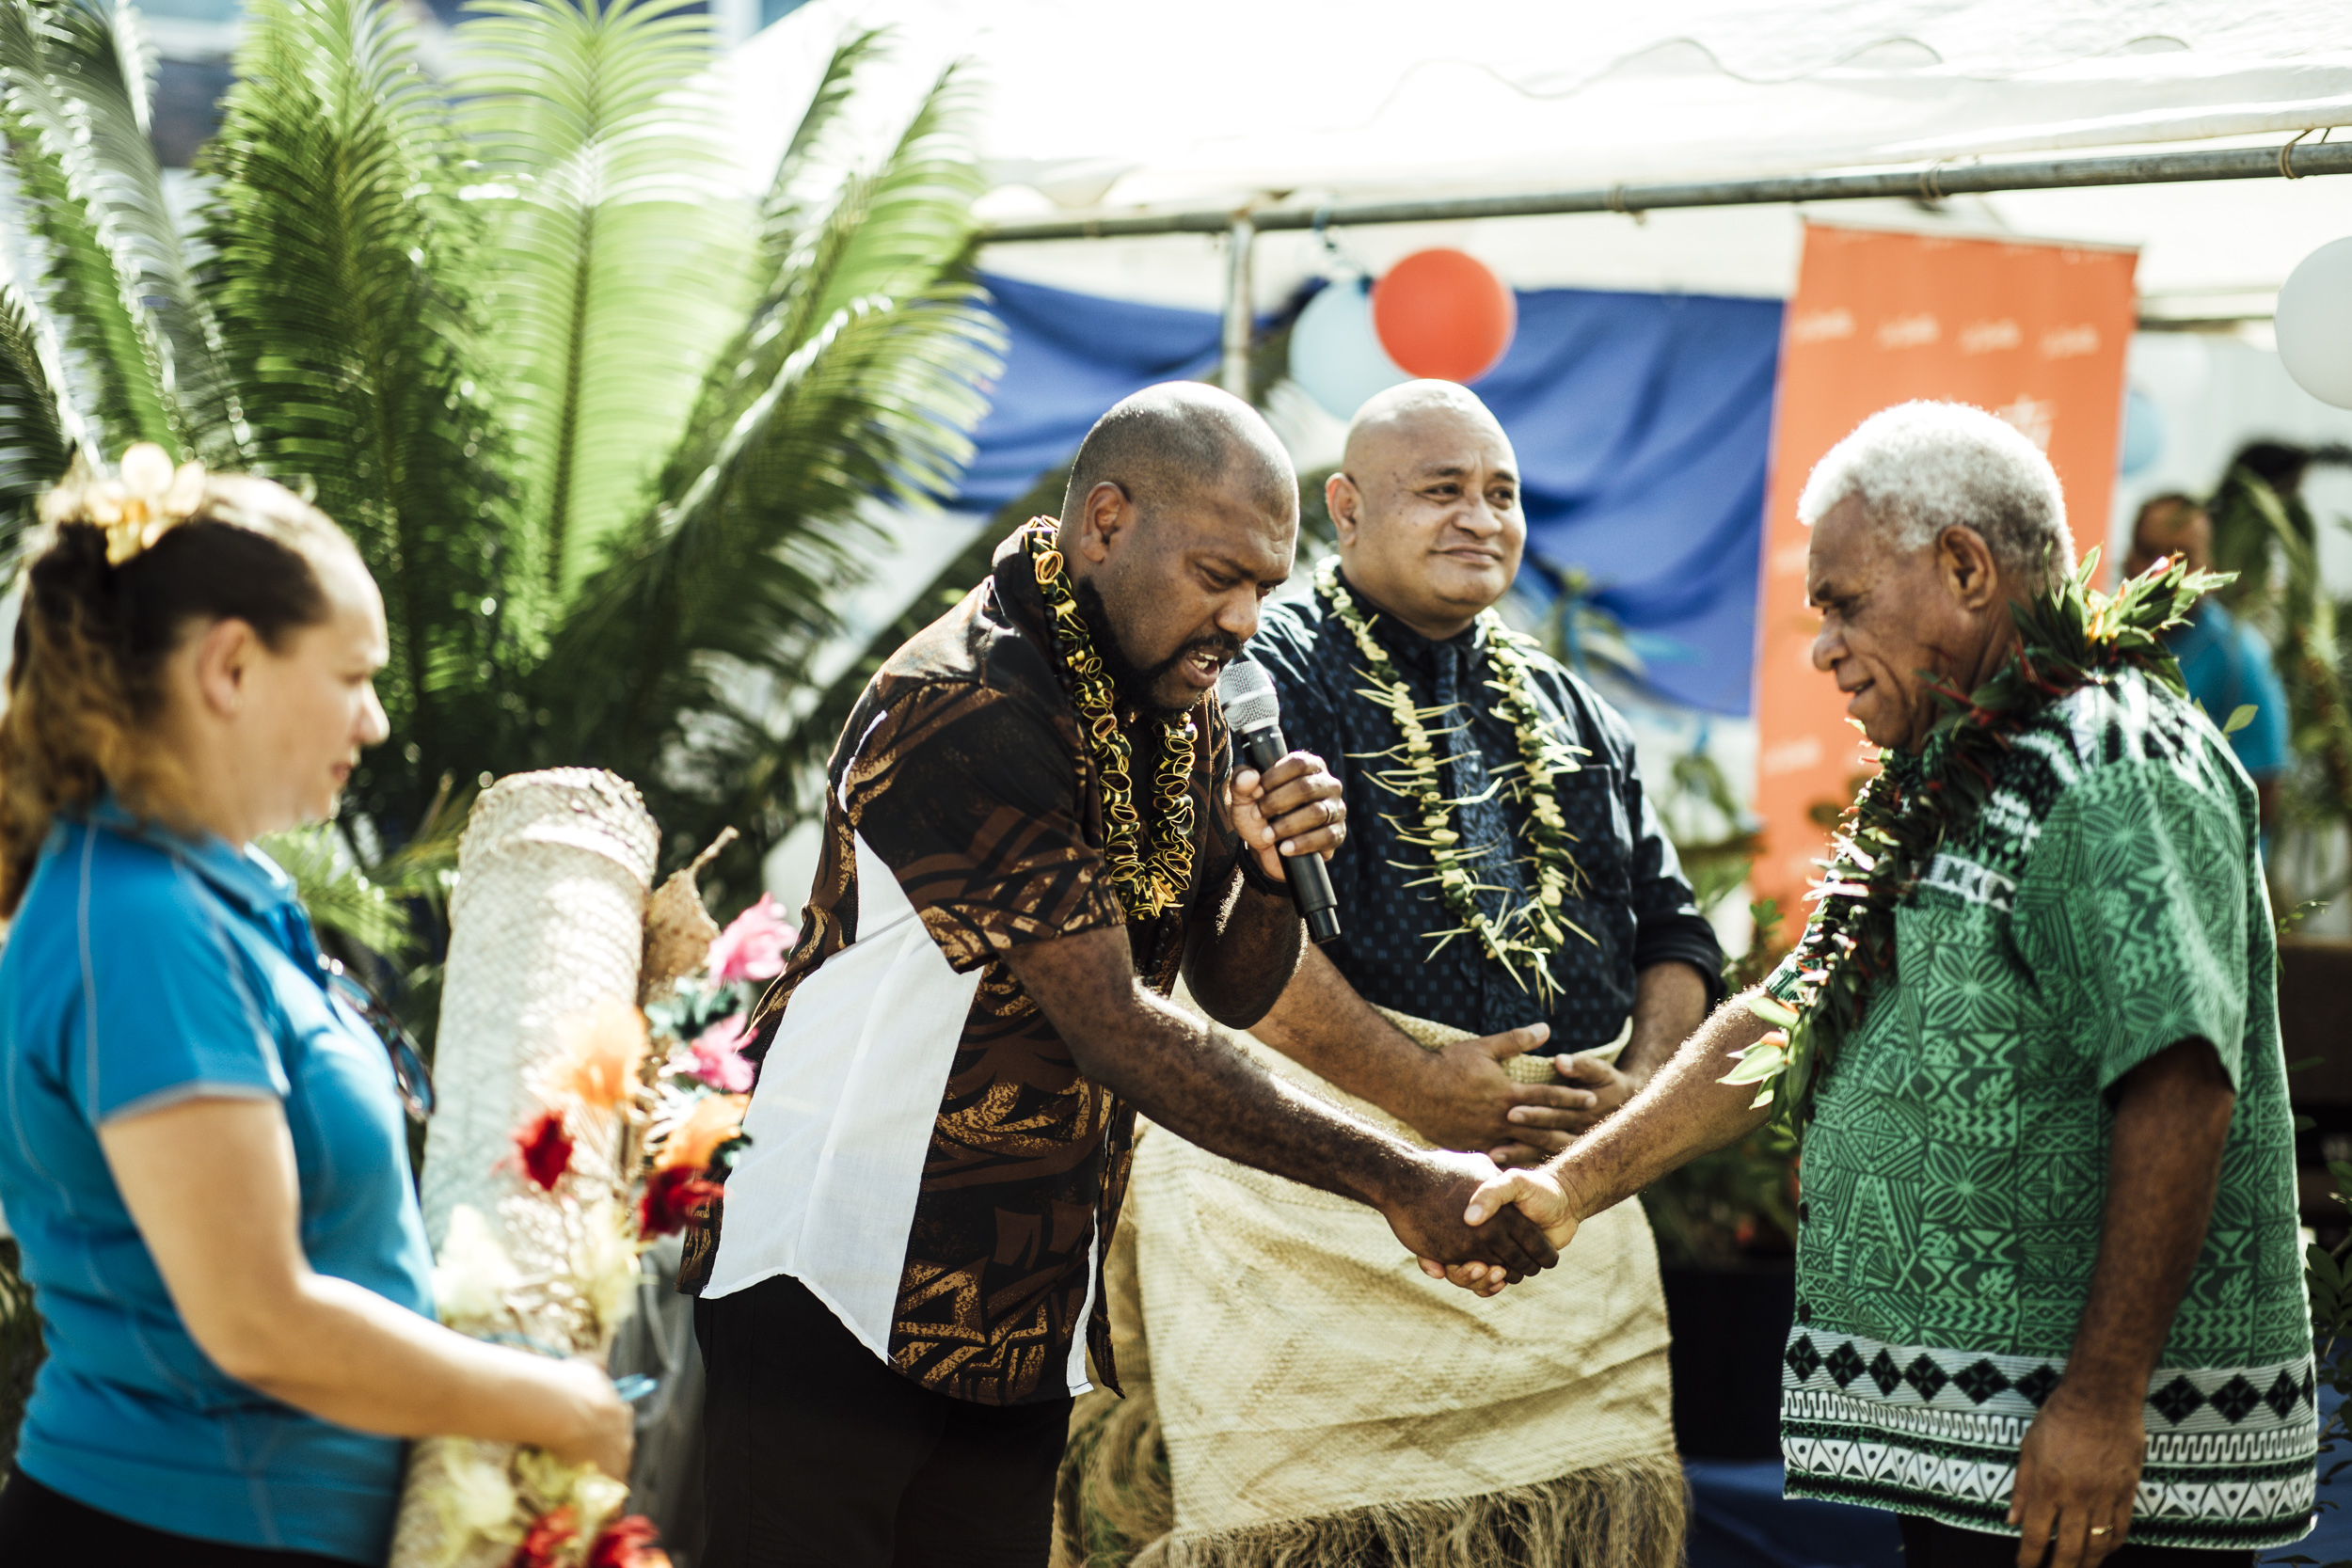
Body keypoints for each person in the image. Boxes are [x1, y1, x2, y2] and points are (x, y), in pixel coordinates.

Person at [676, 384, 1559, 1568]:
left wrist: (1270, 871)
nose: (1245, 620)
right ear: (1105, 524)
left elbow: (1225, 981)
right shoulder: (966, 702)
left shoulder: (1167, 701)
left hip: (1020, 1315)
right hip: (833, 1283)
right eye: (1217, 574)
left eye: (1265, 585)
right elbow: (1115, 1026)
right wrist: (1399, 1175)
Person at [1458, 402, 2313, 1567]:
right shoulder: (1951, 776)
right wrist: (1571, 1183)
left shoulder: (2111, 758)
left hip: (2080, 1461)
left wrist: (2104, 1398)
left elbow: (2179, 1084)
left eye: (1843, 603)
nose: (1821, 646)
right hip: (1976, 1447)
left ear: (1963, 565)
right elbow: (1783, 1016)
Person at [1072, 380, 1718, 1566]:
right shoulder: (1254, 673)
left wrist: (1637, 1092)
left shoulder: (1575, 706)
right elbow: (1223, 936)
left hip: (1564, 1221)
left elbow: (1675, 937)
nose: (1481, 517)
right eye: (1442, 489)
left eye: (1502, 493)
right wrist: (1418, 1087)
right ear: (1346, 507)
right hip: (1310, 1216)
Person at [0, 449, 634, 1566]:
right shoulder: (141, 925)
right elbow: (259, 1321)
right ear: (231, 665)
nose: (377, 721)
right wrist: (554, 1406)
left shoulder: (204, 891)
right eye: (352, 676)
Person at [2122, 494, 2289, 830]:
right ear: (2129, 560)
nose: (2164, 570)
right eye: (2150, 552)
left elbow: (2266, 795)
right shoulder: (2105, 640)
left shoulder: (2242, 661)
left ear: (2210, 567)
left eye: (2180, 558)